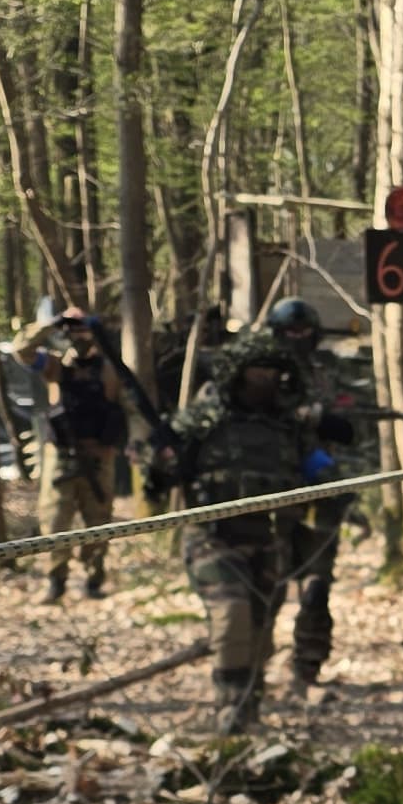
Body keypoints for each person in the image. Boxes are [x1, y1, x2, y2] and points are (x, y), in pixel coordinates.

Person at [153, 320, 334, 732]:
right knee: (232, 613)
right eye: (257, 371)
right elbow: (163, 467)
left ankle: (249, 706)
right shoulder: (206, 418)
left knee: (260, 627)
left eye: (272, 372)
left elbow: (317, 469)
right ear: (238, 373)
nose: (265, 380)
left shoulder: (288, 425)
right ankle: (230, 709)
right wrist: (163, 461)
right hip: (213, 536)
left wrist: (331, 484)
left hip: (270, 538)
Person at [262, 294, 360, 693]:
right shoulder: (258, 376)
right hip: (272, 497)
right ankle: (251, 669)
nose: (298, 339)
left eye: (304, 331)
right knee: (267, 586)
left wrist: (324, 421)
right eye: (291, 332)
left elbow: (350, 429)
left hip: (320, 493)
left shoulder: (326, 375)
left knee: (317, 586)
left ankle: (306, 667)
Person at [10, 297, 127, 601]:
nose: (79, 336)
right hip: (61, 456)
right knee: (55, 522)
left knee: (98, 522)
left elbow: (127, 408)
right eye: (73, 330)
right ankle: (56, 580)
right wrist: (52, 323)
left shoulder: (110, 369)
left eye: (83, 329)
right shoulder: (55, 365)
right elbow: (21, 350)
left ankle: (94, 579)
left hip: (98, 457)